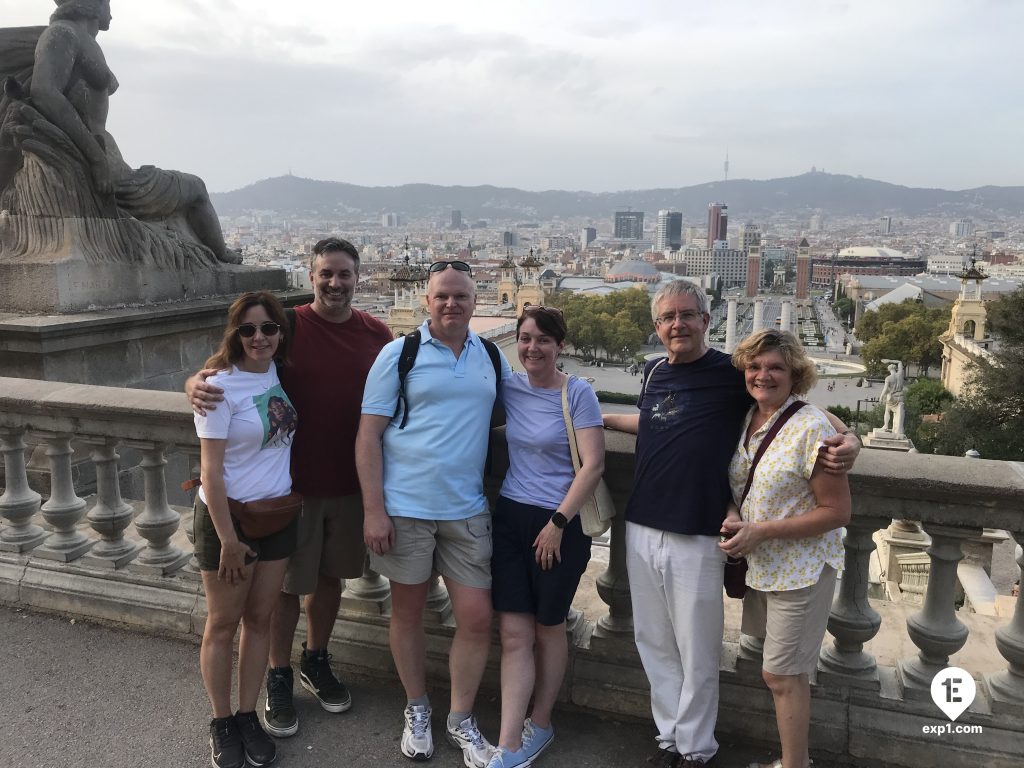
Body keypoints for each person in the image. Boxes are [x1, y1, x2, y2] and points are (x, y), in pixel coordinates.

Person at [602, 281, 859, 768]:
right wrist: (594, 420)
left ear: (705, 318)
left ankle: (695, 749)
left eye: (687, 314)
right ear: (657, 327)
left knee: (697, 648)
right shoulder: (654, 371)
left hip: (700, 530)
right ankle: (668, 738)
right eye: (667, 317)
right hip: (641, 524)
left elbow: (797, 406)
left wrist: (852, 438)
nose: (677, 324)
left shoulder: (730, 372)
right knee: (653, 640)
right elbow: (654, 420)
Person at [187, 237, 393, 738]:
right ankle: (278, 674)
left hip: (348, 484)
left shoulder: (378, 334)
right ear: (311, 274)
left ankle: (315, 659)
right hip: (287, 491)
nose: (335, 282)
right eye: (326, 273)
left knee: (330, 581)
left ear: (358, 277)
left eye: (344, 273)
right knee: (280, 592)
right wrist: (193, 382)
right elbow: (233, 365)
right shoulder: (290, 325)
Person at [356, 261, 513, 767]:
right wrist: (374, 510)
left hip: (467, 508)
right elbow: (367, 437)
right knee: (408, 613)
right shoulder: (397, 354)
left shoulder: (489, 355)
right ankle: (417, 707)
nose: (452, 304)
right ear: (427, 301)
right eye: (442, 296)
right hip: (405, 508)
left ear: (475, 302)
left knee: (476, 617)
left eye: (461, 297)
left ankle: (460, 718)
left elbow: (529, 403)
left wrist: (587, 408)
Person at [6, 0, 239, 263]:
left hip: (110, 161)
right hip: (110, 171)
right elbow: (44, 91)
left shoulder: (79, 37)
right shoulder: (63, 33)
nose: (111, 11)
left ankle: (219, 255)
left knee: (193, 188)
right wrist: (96, 158)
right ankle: (222, 256)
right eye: (107, 1)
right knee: (196, 188)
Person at [719, 329, 851, 768]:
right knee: (778, 669)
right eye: (754, 366)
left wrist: (762, 530)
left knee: (782, 674)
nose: (763, 375)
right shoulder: (749, 417)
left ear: (795, 374)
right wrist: (737, 515)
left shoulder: (810, 426)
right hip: (766, 567)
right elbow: (740, 484)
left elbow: (837, 511)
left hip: (801, 569)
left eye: (775, 367)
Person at [486, 306, 604, 768]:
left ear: (560, 346)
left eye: (542, 340)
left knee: (547, 625)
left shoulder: (578, 394)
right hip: (512, 515)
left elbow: (592, 465)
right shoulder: (509, 388)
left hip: (561, 521)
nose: (531, 347)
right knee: (514, 632)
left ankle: (542, 719)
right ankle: (509, 740)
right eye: (524, 338)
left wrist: (556, 524)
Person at [193, 291, 298, 768]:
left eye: (268, 328)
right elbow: (210, 474)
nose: (259, 337)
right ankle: (221, 721)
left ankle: (247, 713)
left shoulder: (279, 372)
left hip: (277, 514)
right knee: (222, 624)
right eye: (248, 329)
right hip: (228, 520)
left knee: (260, 621)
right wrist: (229, 541)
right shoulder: (218, 387)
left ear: (280, 332)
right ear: (235, 334)